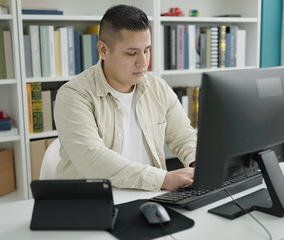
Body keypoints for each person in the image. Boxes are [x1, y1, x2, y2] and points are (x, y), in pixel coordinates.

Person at [54, 4, 197, 192]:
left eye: (146, 50)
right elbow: (92, 159)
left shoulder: (157, 87)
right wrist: (163, 179)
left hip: (150, 196)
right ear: (103, 50)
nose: (143, 62)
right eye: (132, 53)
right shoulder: (73, 96)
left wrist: (197, 165)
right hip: (93, 203)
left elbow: (183, 136)